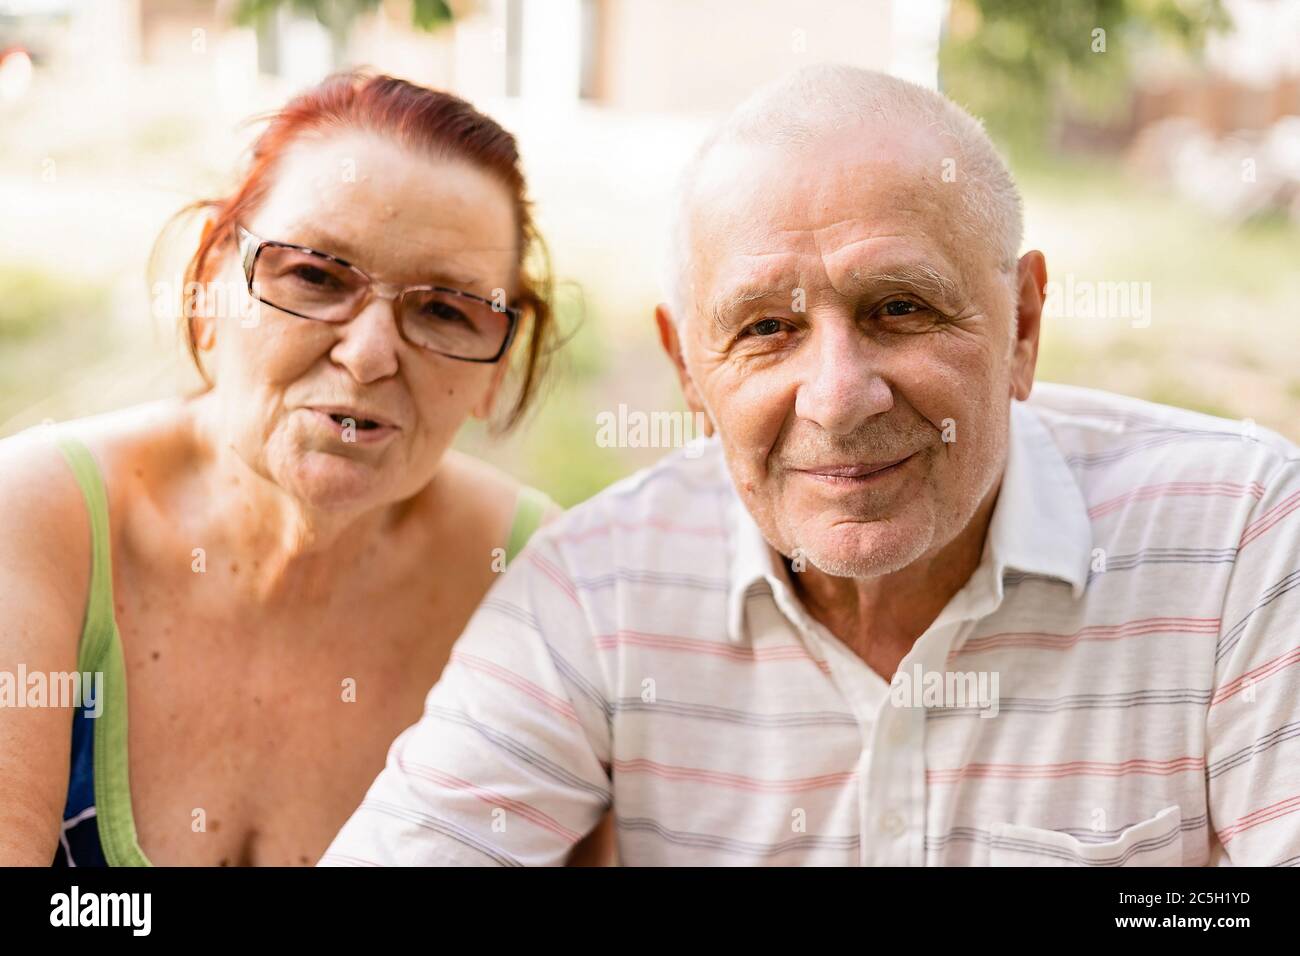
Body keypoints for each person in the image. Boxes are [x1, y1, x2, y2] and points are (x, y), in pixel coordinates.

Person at [322, 64, 1300, 866]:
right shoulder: (593, 589)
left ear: (1023, 325)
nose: (837, 396)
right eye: (765, 327)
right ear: (686, 371)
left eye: (901, 309)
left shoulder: (1237, 535)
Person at [0, 71, 612, 866]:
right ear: (212, 281)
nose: (366, 356)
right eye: (316, 276)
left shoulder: (541, 579)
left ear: (495, 369)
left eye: (444, 311)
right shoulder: (39, 523)